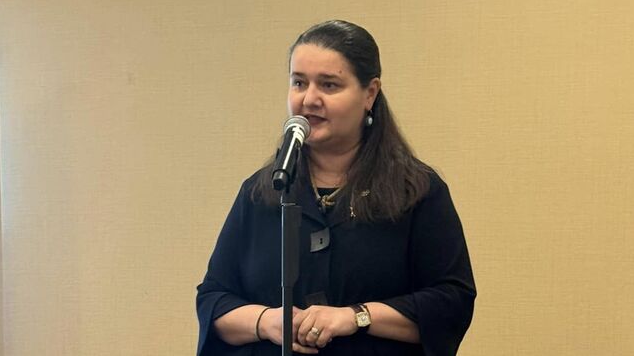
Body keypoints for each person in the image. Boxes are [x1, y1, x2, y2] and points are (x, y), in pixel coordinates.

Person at [196, 20, 476, 356]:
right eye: (299, 83)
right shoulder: (263, 191)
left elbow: (452, 302)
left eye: (329, 85)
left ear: (370, 93)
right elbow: (213, 299)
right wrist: (267, 322)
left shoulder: (416, 190)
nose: (309, 99)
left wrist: (356, 317)